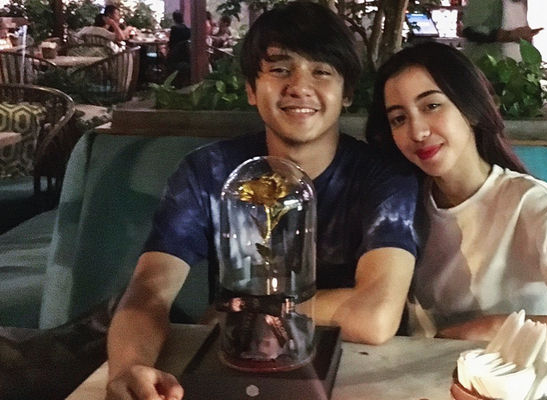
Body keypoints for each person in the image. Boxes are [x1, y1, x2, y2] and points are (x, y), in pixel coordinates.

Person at [105, 2, 418, 399]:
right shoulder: (209, 172)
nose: (299, 86)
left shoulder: (384, 178)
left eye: (321, 71)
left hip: (356, 378)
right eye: (280, 69)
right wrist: (128, 368)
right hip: (238, 370)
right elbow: (149, 290)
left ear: (347, 93)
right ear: (252, 89)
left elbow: (376, 314)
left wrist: (241, 311)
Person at [366, 41, 547, 357]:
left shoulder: (533, 206)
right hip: (420, 375)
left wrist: (494, 328)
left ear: (471, 109)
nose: (417, 131)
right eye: (399, 118)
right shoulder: (399, 207)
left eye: (431, 106)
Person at [461, 0, 542, 61]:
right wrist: (507, 35)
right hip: (489, 69)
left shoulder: (522, 3)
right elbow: (470, 31)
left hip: (516, 69)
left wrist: (526, 37)